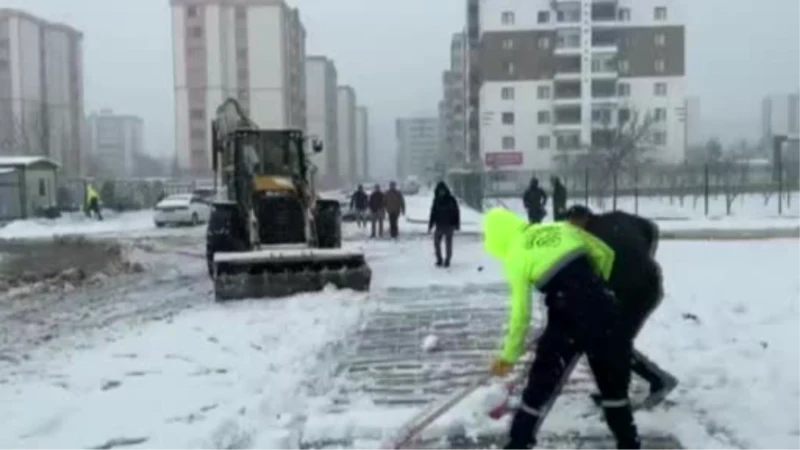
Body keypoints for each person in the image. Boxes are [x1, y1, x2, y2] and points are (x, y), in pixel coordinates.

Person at [483, 207, 640, 450]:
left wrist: (508, 356)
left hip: (566, 318)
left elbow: (520, 315)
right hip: (605, 312)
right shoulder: (558, 227)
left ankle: (518, 444)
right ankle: (629, 444)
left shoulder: (517, 254)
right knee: (614, 391)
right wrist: (597, 290)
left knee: (538, 388)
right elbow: (605, 253)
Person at [564, 205, 677, 410]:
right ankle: (614, 391)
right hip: (645, 282)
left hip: (639, 292)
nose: (571, 229)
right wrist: (644, 257)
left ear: (580, 220)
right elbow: (650, 228)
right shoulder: (615, 217)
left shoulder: (587, 242)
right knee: (609, 341)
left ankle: (660, 381)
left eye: (571, 224)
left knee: (615, 343)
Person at [428, 181, 460, 267]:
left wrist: (457, 224)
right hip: (439, 225)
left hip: (450, 225)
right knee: (436, 243)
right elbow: (433, 213)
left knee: (448, 244)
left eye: (443, 191)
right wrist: (430, 225)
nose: (441, 192)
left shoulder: (451, 199)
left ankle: (447, 260)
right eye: (440, 191)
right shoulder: (436, 200)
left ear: (446, 190)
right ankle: (439, 259)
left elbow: (456, 212)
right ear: (437, 191)